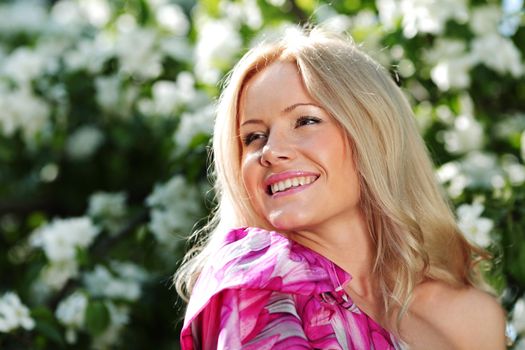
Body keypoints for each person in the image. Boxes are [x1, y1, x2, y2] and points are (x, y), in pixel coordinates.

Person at [176, 26, 507, 349]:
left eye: (305, 121)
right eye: (253, 137)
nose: (271, 151)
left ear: (374, 134)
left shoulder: (472, 317)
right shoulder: (250, 283)